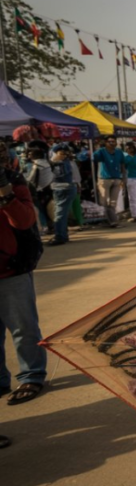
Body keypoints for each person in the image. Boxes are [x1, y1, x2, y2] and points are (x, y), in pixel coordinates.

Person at [0, 147, 47, 406]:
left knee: (23, 327)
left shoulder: (14, 181)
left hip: (11, 267)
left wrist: (6, 195)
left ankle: (32, 375)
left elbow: (25, 220)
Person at [48, 143, 79, 246]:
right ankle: (63, 235)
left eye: (64, 153)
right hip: (65, 189)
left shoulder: (60, 163)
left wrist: (52, 162)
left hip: (63, 190)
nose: (63, 154)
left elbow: (57, 175)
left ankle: (60, 237)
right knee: (62, 214)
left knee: (59, 215)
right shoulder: (67, 161)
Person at [93, 136, 125, 228]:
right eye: (109, 141)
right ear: (106, 143)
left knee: (113, 202)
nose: (111, 143)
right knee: (105, 202)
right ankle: (110, 221)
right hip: (104, 179)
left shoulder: (119, 152)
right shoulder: (101, 151)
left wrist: (123, 178)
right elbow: (94, 157)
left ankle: (113, 221)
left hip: (116, 179)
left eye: (113, 141)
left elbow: (122, 164)